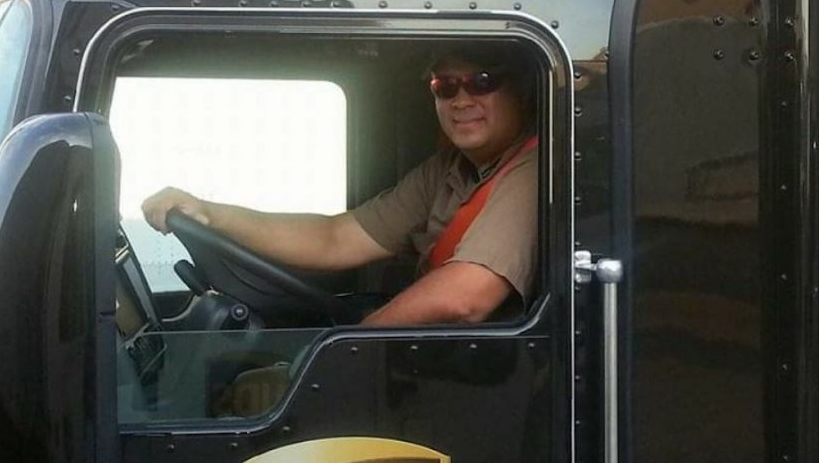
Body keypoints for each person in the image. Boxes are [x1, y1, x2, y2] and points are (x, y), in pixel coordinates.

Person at [141, 43, 537, 327]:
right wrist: (210, 214)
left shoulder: (531, 169)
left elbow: (467, 297)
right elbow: (336, 237)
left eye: (482, 82)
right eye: (445, 86)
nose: (461, 99)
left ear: (519, 93)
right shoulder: (448, 169)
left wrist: (352, 346)